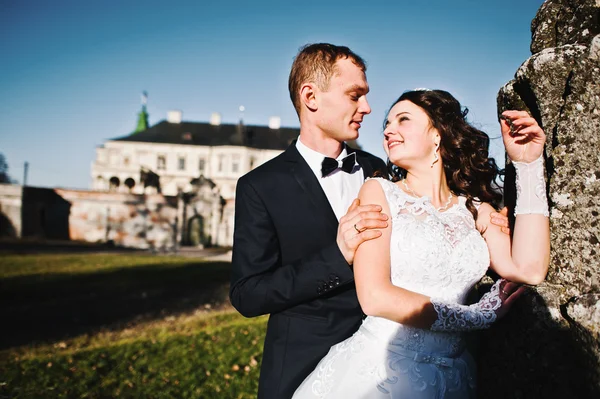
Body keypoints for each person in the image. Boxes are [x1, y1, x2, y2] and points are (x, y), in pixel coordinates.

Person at [230, 44, 511, 399]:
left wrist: (484, 215)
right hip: (305, 362)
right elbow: (247, 294)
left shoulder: (379, 167)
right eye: (355, 95)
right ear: (310, 96)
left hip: (405, 361)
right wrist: (336, 256)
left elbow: (435, 203)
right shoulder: (260, 186)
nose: (367, 108)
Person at [292, 89, 550, 398]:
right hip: (379, 375)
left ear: (438, 135)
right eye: (387, 123)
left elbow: (529, 269)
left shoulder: (475, 208)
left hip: (454, 378)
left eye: (403, 119)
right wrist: (477, 316)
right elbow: (375, 297)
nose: (388, 129)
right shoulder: (379, 192)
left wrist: (528, 164)